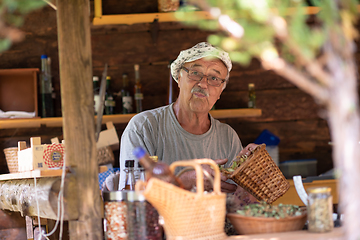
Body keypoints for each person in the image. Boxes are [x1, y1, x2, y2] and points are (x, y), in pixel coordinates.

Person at [119, 42, 257, 202]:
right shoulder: (144, 127)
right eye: (195, 72)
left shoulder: (228, 136)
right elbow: (133, 198)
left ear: (220, 91)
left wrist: (250, 181)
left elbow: (239, 202)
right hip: (161, 226)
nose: (203, 84)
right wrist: (184, 182)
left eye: (214, 78)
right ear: (179, 77)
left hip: (216, 226)